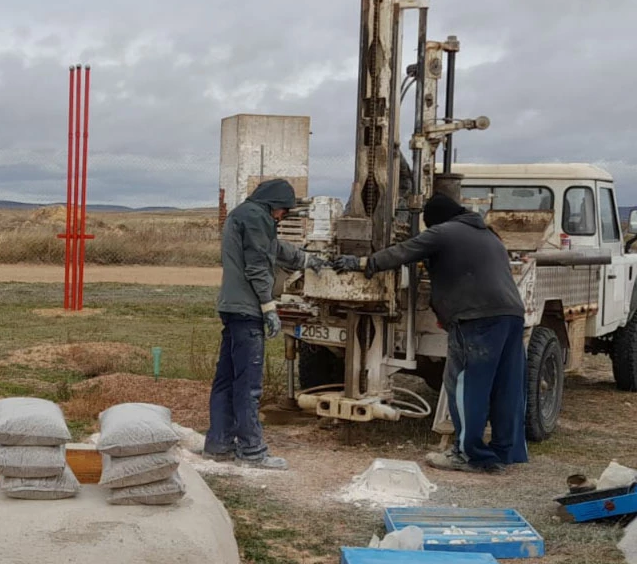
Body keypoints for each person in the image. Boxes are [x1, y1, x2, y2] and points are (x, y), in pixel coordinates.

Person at [333, 192, 528, 474]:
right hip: (511, 316)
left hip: (476, 319)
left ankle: (467, 454)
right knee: (505, 386)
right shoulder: (488, 234)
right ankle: (501, 451)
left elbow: (403, 252)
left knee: (467, 385)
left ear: (434, 219)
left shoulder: (444, 232)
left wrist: (362, 263)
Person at [204, 179, 326, 469]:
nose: (282, 217)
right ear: (273, 205)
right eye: (282, 212)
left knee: (227, 379)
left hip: (232, 307)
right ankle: (252, 450)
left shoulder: (243, 214)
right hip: (248, 310)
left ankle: (219, 443)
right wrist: (269, 306)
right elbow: (258, 265)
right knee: (248, 385)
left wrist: (308, 260)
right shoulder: (258, 217)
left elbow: (275, 248)